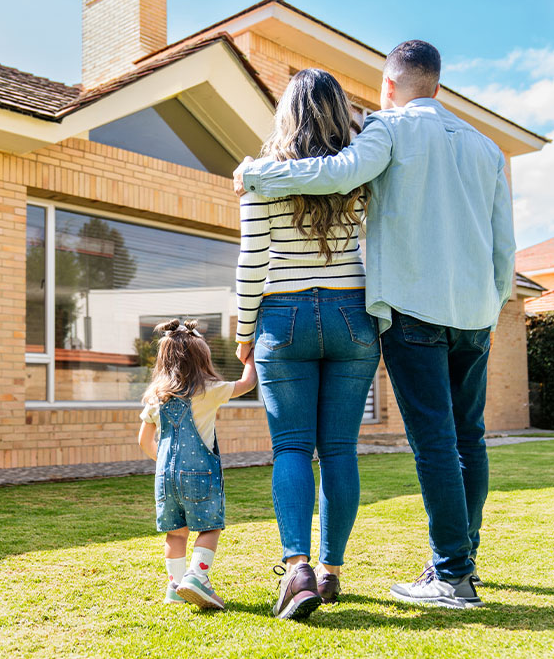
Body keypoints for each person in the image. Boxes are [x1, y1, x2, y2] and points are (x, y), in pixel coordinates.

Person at [234, 40, 516, 609]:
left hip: (406, 311)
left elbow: (338, 176)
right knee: (467, 437)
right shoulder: (487, 148)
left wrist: (259, 175)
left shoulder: (386, 130)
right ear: (437, 85)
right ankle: (452, 560)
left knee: (426, 442)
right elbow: (504, 245)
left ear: (388, 86)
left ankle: (448, 574)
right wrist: (494, 304)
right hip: (467, 314)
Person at [236, 68, 381, 619]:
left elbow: (253, 264)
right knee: (340, 449)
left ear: (286, 115)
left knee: (292, 448)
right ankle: (330, 572)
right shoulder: (360, 173)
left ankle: (296, 570)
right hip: (352, 314)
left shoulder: (261, 177)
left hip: (284, 316)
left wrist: (244, 333)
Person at [138, 318, 257, 610]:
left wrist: (164, 463)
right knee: (209, 527)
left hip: (165, 477)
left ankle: (175, 587)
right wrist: (251, 355)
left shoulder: (156, 397)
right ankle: (197, 578)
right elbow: (248, 383)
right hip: (199, 475)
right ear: (201, 360)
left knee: (175, 532)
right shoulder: (209, 390)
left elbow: (143, 440)